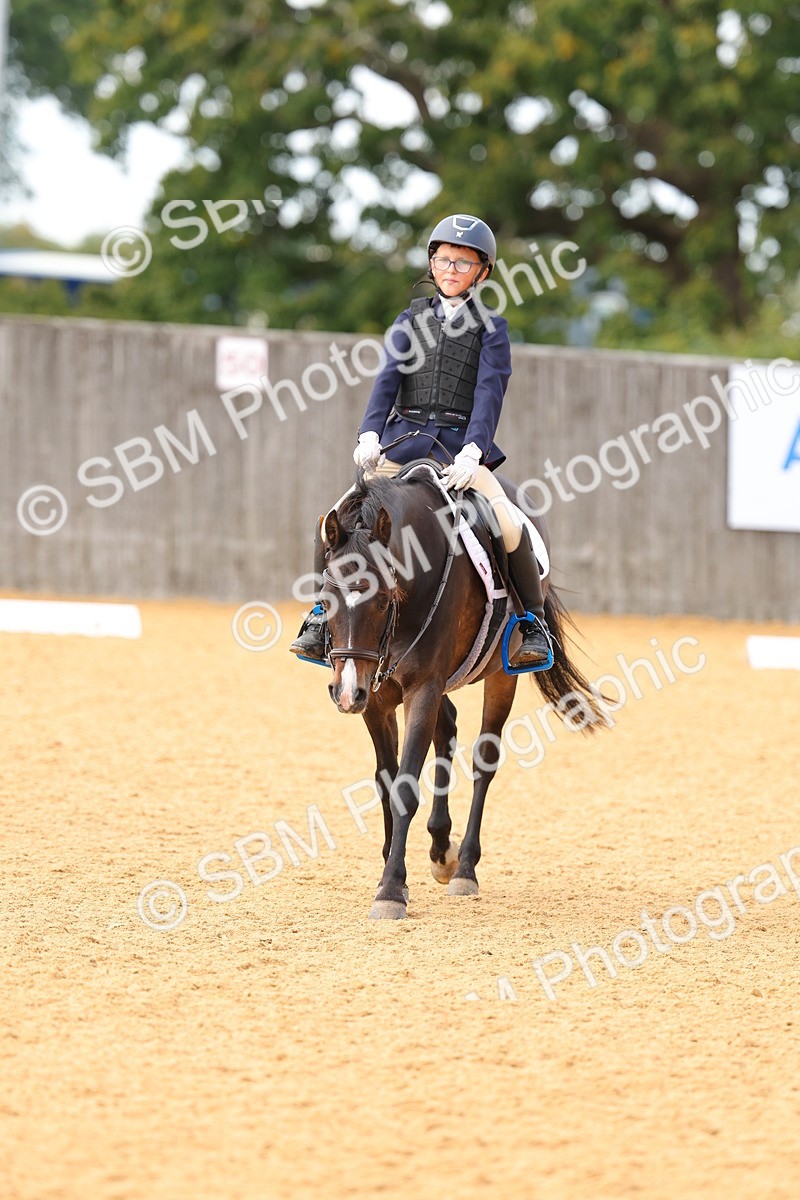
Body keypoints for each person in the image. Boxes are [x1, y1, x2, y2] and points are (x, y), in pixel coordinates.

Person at [290, 213, 553, 669]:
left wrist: (474, 451)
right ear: (432, 264)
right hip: (401, 443)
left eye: (463, 263)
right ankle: (319, 615)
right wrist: (370, 432)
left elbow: (490, 393)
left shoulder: (493, 328)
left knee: (508, 525)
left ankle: (532, 624)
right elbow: (386, 380)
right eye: (444, 260)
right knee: (333, 520)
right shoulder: (409, 320)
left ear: (482, 272)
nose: (451, 270)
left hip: (458, 450)